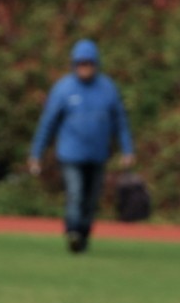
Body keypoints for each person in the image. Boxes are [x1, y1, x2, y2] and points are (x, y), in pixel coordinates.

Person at [28, 39, 135, 253]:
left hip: (97, 154)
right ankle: (73, 231)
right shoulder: (63, 89)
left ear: (95, 64)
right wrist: (36, 152)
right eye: (80, 63)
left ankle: (84, 234)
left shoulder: (107, 88)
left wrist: (127, 149)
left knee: (91, 199)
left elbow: (120, 121)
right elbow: (48, 122)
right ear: (74, 64)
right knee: (75, 193)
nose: (84, 67)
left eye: (88, 63)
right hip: (71, 154)